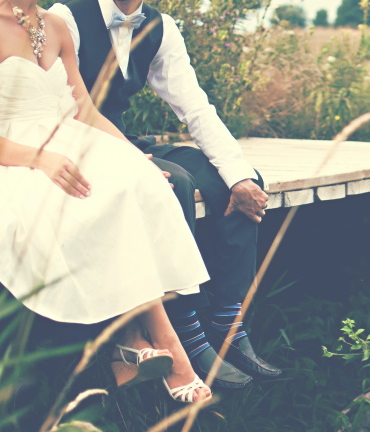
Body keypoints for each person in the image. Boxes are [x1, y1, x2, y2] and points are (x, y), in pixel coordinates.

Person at [0, 0, 213, 403]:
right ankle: (164, 346)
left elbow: (82, 108)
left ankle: (133, 344)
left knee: (138, 184)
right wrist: (40, 158)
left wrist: (137, 159)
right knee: (85, 201)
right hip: (4, 152)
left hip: (65, 137)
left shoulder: (55, 24)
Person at [49, 0, 282, 390]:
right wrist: (132, 159)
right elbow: (63, 104)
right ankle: (184, 328)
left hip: (125, 141)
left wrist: (238, 176)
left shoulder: (160, 26)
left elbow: (195, 107)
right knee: (173, 185)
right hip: (76, 146)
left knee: (236, 178)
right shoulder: (67, 16)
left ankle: (227, 321)